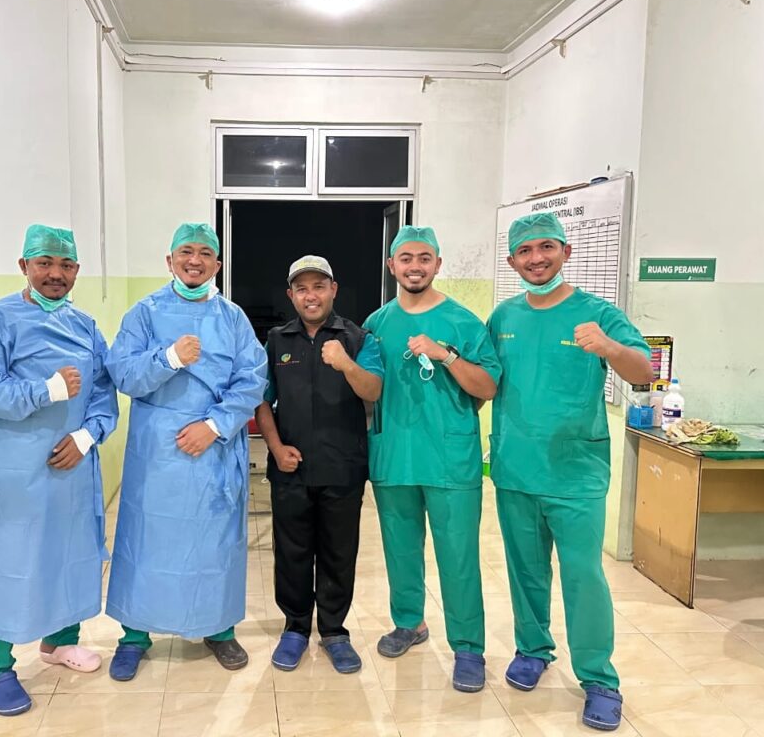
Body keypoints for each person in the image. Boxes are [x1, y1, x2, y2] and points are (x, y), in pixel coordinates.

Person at [488, 212, 653, 731]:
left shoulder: (598, 314)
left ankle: (599, 679)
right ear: (512, 260)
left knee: (583, 576)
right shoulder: (503, 317)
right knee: (525, 570)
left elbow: (645, 371)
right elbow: (484, 379)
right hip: (515, 468)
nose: (536, 258)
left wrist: (610, 347)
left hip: (575, 473)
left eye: (546, 247)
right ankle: (533, 649)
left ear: (566, 251)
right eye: (525, 251)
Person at [0, 224, 118, 716]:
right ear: (24, 265)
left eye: (65, 265)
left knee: (69, 554)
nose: (55, 273)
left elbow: (103, 391)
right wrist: (45, 390)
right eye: (45, 263)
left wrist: (86, 436)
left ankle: (60, 642)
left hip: (73, 466)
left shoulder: (85, 326)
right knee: (15, 561)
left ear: (77, 271)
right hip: (18, 470)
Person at [103, 222, 267, 681]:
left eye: (205, 253)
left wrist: (213, 426)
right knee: (147, 541)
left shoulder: (232, 318)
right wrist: (169, 358)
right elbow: (123, 374)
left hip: (213, 450)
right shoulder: (144, 313)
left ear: (217, 264)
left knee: (214, 543)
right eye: (186, 252)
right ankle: (134, 634)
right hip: (157, 455)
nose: (195, 260)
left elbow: (252, 379)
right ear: (170, 260)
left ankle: (219, 628)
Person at [364, 226, 501, 693]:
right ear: (392, 266)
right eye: (406, 258)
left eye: (424, 258)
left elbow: (487, 387)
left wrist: (445, 356)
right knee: (400, 549)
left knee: (458, 557)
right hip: (394, 457)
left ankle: (468, 648)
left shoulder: (463, 322)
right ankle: (409, 623)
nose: (415, 266)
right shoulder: (377, 323)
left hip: (449, 459)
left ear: (438, 264)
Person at [254, 256, 383, 674]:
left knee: (338, 553)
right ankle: (295, 628)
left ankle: (333, 631)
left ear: (333, 290)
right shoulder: (277, 341)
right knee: (291, 552)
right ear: (291, 295)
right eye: (302, 288)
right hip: (291, 469)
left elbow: (373, 391)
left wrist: (345, 363)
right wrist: (276, 448)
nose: (311, 296)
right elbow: (261, 400)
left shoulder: (359, 339)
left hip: (343, 467)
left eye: (319, 286)